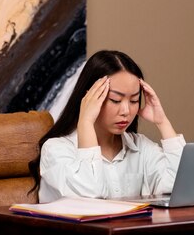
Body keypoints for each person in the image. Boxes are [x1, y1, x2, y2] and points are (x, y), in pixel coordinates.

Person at [29, 50, 185, 202]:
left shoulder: (141, 147)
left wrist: (162, 122)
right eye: (116, 100)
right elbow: (90, 196)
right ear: (89, 97)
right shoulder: (55, 150)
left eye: (134, 101)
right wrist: (85, 122)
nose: (126, 111)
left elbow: (179, 188)